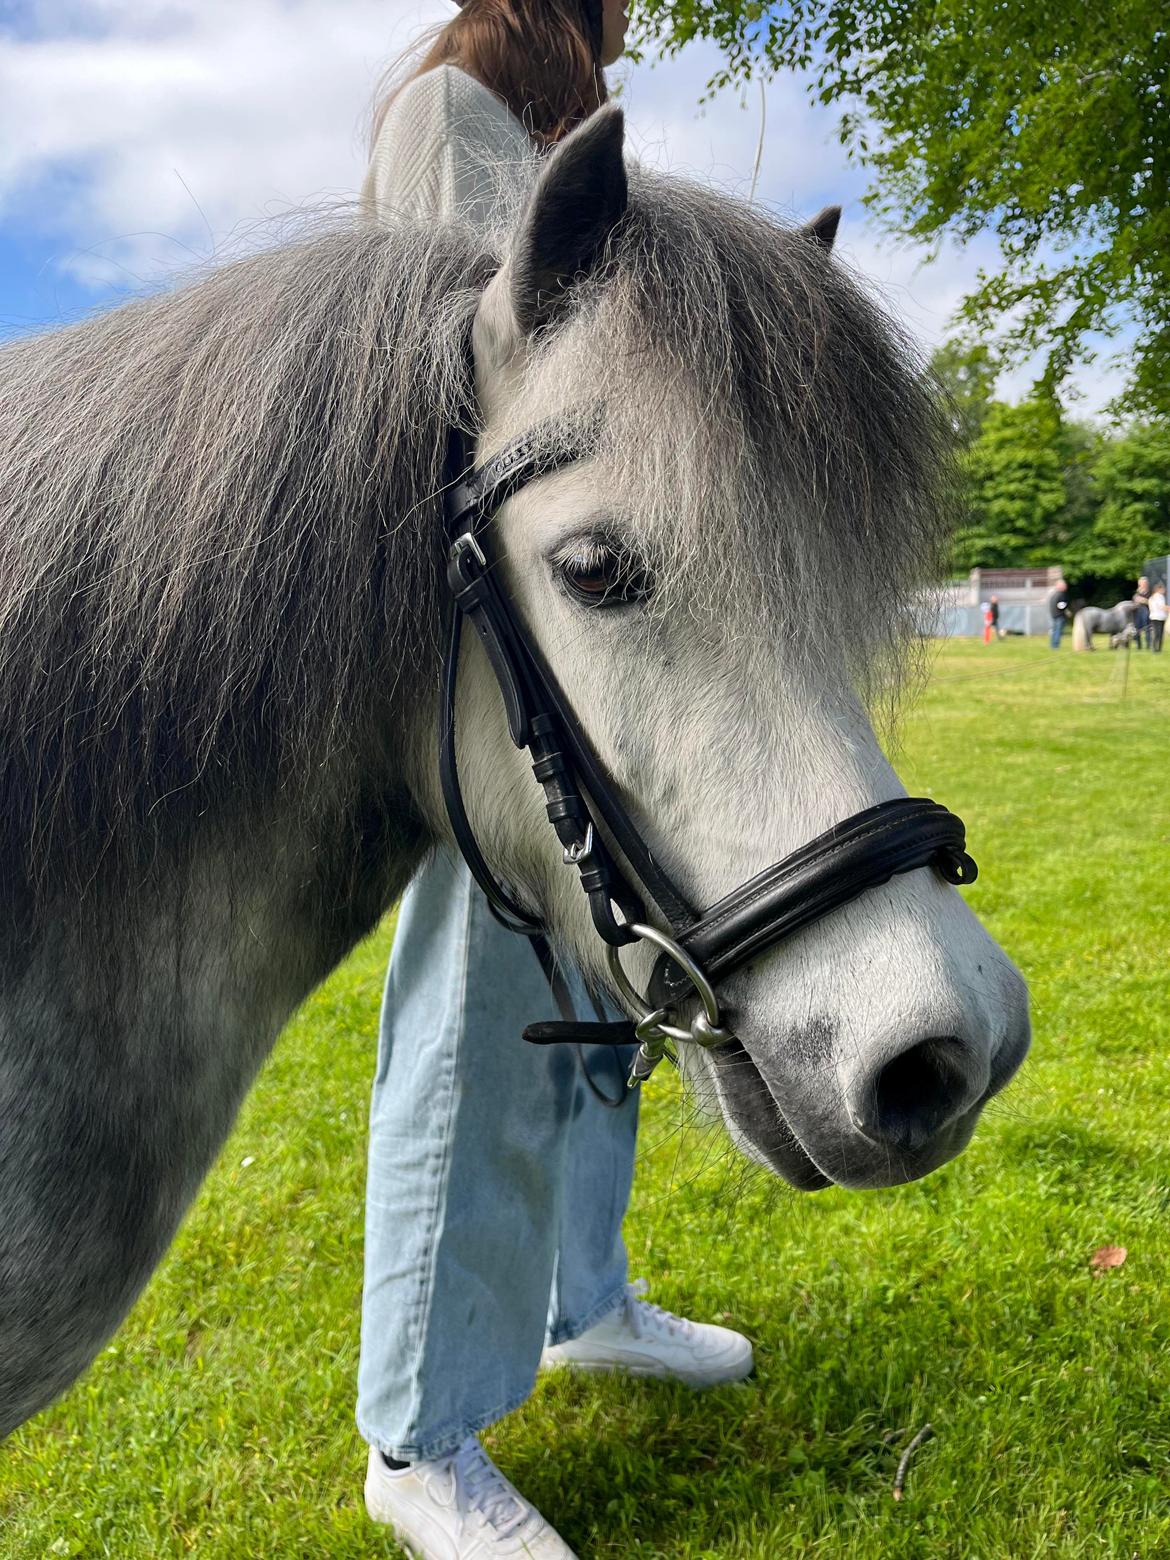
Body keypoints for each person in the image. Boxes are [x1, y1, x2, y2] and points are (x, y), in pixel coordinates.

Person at [356, 6, 752, 1557]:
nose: (633, 22)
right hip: (497, 654)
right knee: (477, 1018)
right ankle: (420, 1434)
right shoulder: (455, 112)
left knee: (601, 993)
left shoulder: (518, 132)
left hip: (575, 639)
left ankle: (588, 1303)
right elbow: (488, 381)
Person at [1047, 576, 1070, 649]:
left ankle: (1053, 645)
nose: (1066, 586)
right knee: (1058, 632)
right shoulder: (1061, 594)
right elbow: (1061, 606)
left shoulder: (1054, 594)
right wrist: (1066, 611)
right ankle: (1056, 646)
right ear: (1060, 586)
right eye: (1064, 585)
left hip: (1054, 615)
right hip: (1059, 616)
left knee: (1054, 631)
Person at [1133, 574, 1151, 650]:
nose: (1141, 584)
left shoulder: (1150, 592)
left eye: (1143, 583)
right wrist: (1135, 600)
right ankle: (1139, 646)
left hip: (1146, 612)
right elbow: (1134, 601)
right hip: (1137, 612)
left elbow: (1152, 602)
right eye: (1140, 583)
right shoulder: (1137, 592)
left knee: (1147, 629)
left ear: (1146, 584)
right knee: (1137, 629)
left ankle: (1148, 645)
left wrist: (1144, 600)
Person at [1150, 581, 1167, 652]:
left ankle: (1157, 649)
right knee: (1158, 634)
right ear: (1159, 589)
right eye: (1163, 589)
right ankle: (1156, 649)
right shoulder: (1159, 596)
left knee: (1158, 634)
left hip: (1157, 617)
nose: (1164, 590)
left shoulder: (1153, 597)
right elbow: (1162, 607)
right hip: (1158, 617)